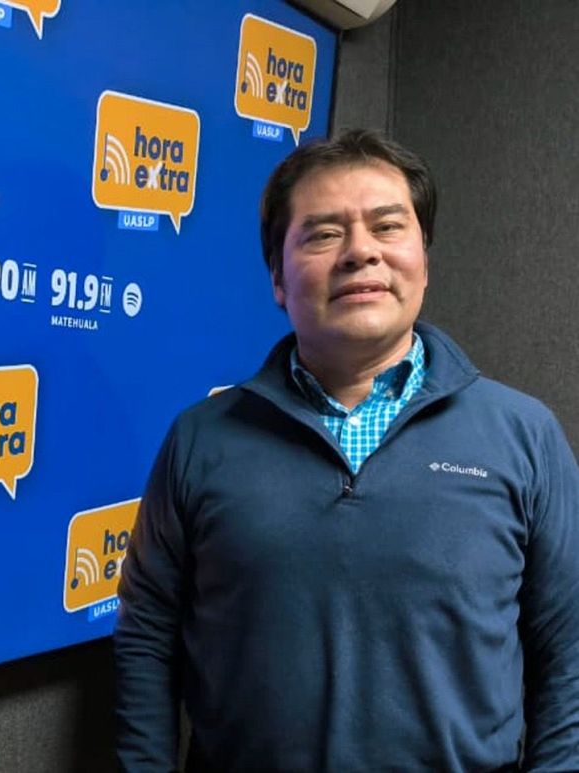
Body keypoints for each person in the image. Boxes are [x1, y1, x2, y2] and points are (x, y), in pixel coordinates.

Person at [114, 129, 579, 772]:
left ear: (423, 260)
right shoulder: (202, 439)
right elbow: (147, 639)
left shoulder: (524, 436)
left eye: (388, 227)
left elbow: (568, 650)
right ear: (278, 279)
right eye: (324, 234)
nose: (361, 252)